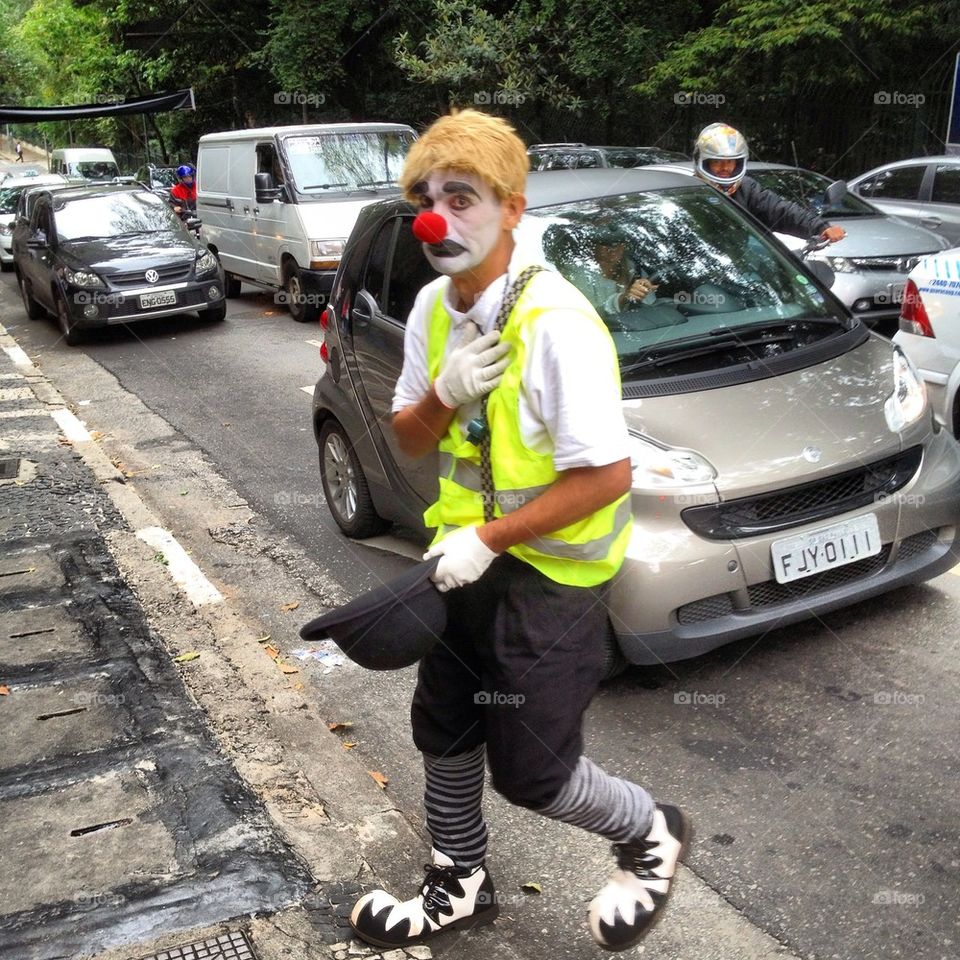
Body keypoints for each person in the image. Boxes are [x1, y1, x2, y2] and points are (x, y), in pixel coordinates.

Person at [348, 108, 690, 953]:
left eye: (461, 199)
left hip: (554, 579)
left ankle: (649, 832)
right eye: (426, 201)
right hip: (462, 565)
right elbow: (410, 436)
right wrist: (446, 393)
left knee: (533, 771)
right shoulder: (432, 308)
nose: (437, 220)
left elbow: (607, 476)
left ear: (511, 209)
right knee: (443, 724)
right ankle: (458, 880)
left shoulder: (557, 326)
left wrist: (490, 540)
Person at [693, 123, 846, 244]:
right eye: (717, 162)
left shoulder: (746, 188)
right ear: (703, 161)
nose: (725, 168)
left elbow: (781, 211)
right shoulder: (692, 190)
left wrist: (820, 227)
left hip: (738, 264)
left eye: (730, 162)